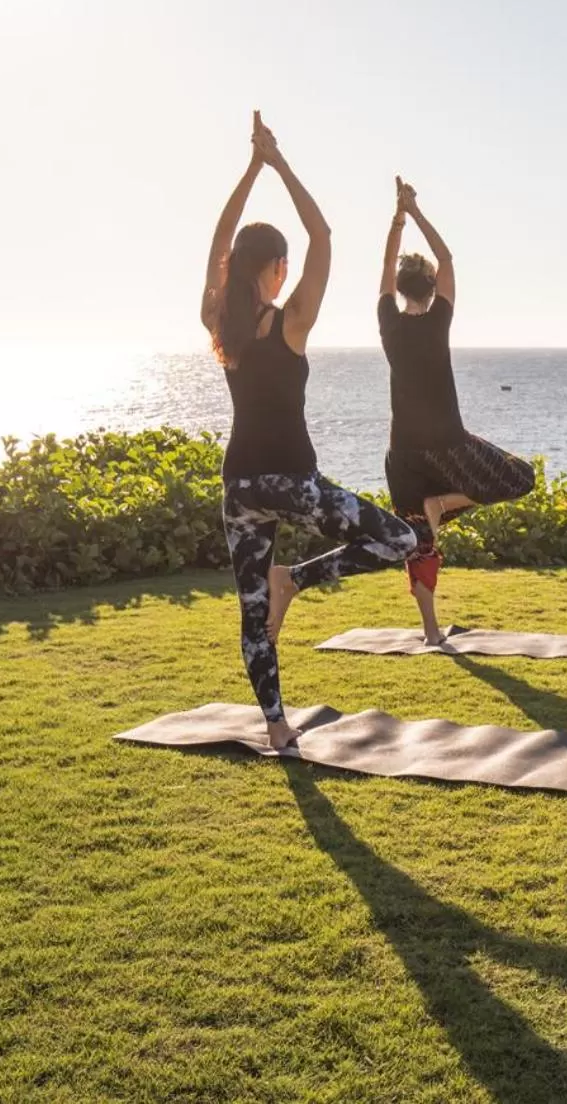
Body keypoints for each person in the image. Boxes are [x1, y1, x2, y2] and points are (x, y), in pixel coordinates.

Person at [203, 114, 419, 751]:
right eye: (283, 267)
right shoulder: (290, 321)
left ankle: (276, 726)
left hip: (239, 486)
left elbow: (219, 243)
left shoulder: (222, 325)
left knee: (250, 615)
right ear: (274, 268)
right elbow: (321, 232)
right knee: (402, 538)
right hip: (294, 484)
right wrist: (279, 165)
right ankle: (295, 580)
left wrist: (250, 170)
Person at [378, 177, 537, 644]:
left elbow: (387, 263)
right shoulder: (440, 319)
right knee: (520, 476)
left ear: (400, 289)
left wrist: (398, 218)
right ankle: (444, 502)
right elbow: (446, 259)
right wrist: (418, 212)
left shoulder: (387, 321)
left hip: (402, 452)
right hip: (448, 443)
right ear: (431, 288)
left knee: (419, 545)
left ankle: (431, 633)